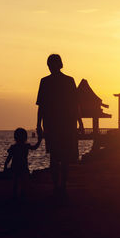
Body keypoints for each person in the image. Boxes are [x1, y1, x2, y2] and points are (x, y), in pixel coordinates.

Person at [36, 54, 84, 195]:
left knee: (55, 156)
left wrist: (39, 124)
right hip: (65, 124)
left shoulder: (45, 82)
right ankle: (61, 185)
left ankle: (58, 185)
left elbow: (41, 106)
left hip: (53, 124)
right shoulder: (68, 81)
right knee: (64, 157)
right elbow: (75, 105)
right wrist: (80, 122)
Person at [4, 127, 42, 199]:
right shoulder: (25, 146)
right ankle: (21, 195)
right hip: (22, 167)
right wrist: (39, 140)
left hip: (16, 167)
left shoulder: (14, 147)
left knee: (17, 182)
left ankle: (17, 195)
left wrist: (5, 166)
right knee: (22, 182)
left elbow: (8, 158)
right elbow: (35, 147)